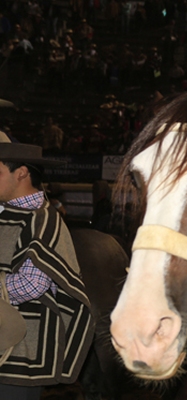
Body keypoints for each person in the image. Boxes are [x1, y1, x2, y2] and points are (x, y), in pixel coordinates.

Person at [0, 131, 93, 399]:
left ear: (21, 173)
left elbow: (33, 284)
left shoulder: (43, 220)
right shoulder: (6, 213)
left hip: (20, 350)